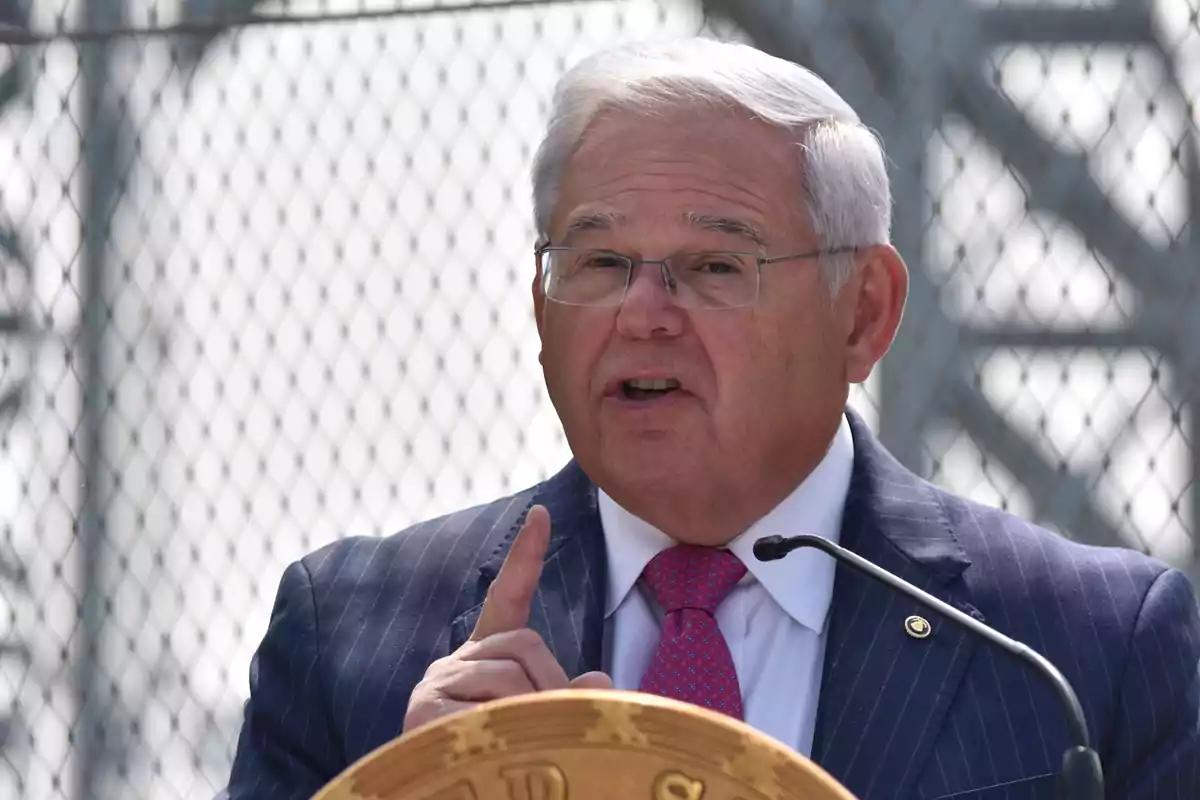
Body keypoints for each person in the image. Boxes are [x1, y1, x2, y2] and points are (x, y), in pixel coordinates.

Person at [222, 38, 1200, 800]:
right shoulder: (348, 636)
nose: (643, 313)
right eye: (598, 264)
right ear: (539, 309)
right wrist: (417, 782)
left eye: (714, 267)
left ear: (863, 313)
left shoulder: (1084, 652)